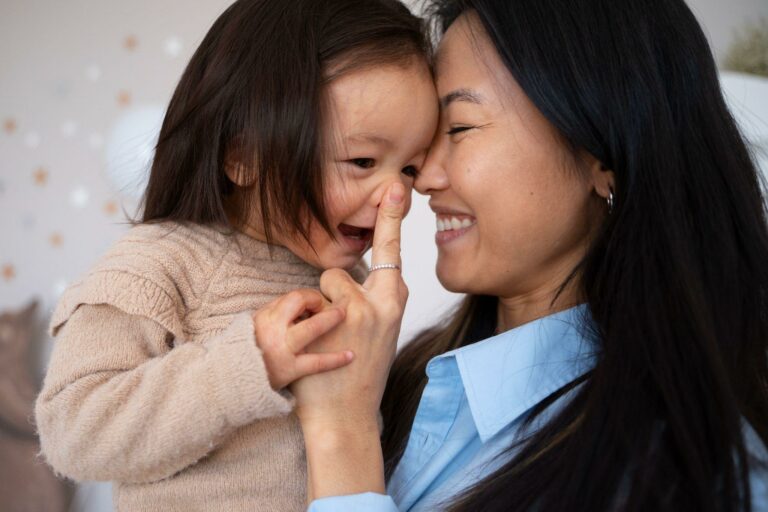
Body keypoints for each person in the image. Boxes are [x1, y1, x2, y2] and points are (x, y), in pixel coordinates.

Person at [290, 0, 768, 510]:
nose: (422, 178)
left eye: (460, 128)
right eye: (430, 138)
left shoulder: (686, 471)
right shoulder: (403, 375)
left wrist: (343, 434)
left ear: (600, 156)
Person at [33, 0, 437, 510]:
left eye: (410, 169)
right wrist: (249, 363)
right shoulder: (158, 265)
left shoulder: (350, 283)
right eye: (362, 160)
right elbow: (72, 430)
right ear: (243, 156)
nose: (396, 197)